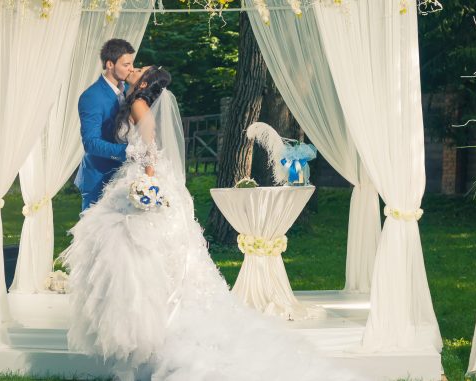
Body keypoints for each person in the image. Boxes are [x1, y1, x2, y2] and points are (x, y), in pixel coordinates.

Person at [62, 66, 363, 381]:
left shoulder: (139, 105)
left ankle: (145, 333)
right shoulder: (137, 104)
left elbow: (149, 154)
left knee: (140, 257)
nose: (134, 70)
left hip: (147, 181)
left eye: (140, 70)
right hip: (153, 181)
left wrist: (147, 186)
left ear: (146, 83)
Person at [75, 38, 135, 211]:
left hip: (124, 177)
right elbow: (90, 143)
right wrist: (127, 151)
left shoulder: (128, 90)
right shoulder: (92, 96)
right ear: (110, 64)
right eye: (126, 64)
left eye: (132, 64)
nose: (131, 68)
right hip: (98, 178)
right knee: (92, 235)